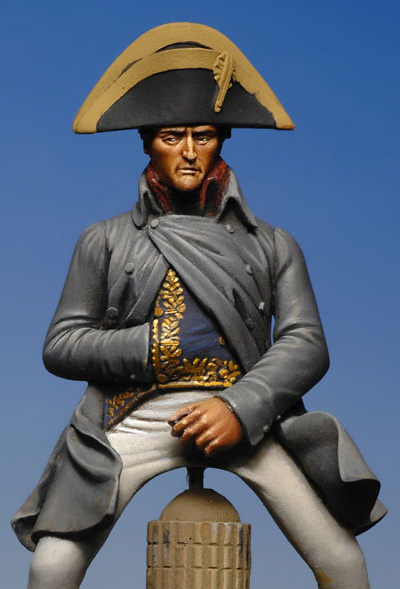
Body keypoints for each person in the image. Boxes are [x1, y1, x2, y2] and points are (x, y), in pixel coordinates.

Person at [12, 23, 386, 589]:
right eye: (172, 136)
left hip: (245, 417)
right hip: (136, 414)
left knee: (344, 564)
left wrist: (239, 407)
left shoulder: (272, 245)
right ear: (147, 141)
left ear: (221, 140)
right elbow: (61, 345)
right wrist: (152, 346)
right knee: (51, 567)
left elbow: (306, 343)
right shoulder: (104, 241)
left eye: (204, 136)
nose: (189, 152)